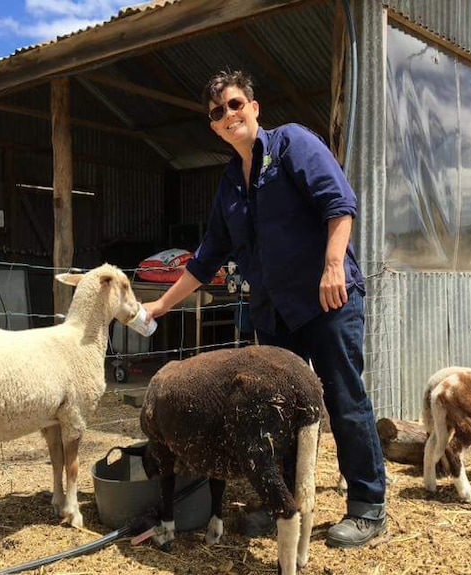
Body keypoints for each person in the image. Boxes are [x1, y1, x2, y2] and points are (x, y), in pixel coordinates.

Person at [143, 70, 387, 549]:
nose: (228, 115)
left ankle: (368, 506)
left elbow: (340, 204)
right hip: (275, 316)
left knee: (343, 399)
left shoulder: (293, 145)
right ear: (213, 127)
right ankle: (281, 505)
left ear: (253, 107)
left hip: (327, 299)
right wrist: (161, 306)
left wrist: (334, 265)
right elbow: (205, 258)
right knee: (273, 411)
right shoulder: (231, 185)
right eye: (218, 113)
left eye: (235, 104)